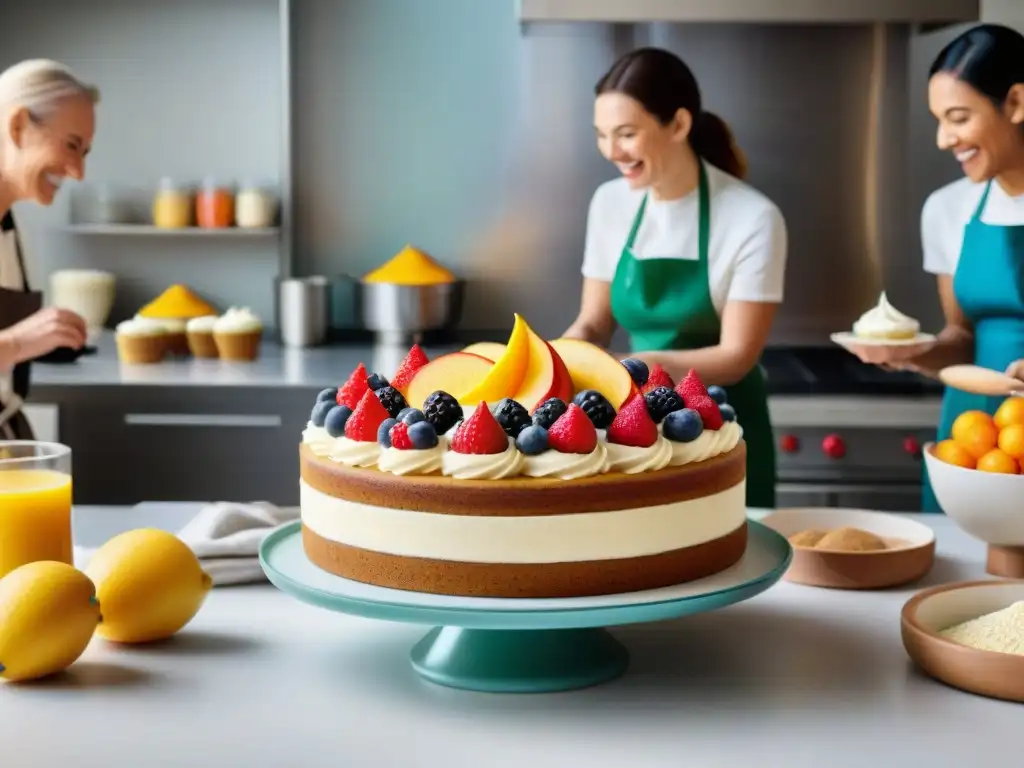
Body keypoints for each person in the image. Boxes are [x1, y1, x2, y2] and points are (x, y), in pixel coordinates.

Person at [562, 47, 788, 508]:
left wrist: (631, 365)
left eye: (626, 134)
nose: (611, 151)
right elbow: (594, 323)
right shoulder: (610, 203)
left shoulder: (752, 217)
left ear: (679, 125)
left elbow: (737, 355)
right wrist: (558, 362)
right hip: (639, 431)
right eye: (602, 135)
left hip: (724, 428)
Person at [850, 24, 1024, 512]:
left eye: (959, 118)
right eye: (938, 120)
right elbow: (961, 339)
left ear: (1015, 102)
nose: (945, 139)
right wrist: (912, 352)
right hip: (973, 437)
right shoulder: (948, 209)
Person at [0, 60, 96, 439]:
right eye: (72, 145)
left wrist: (44, 342)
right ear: (18, 125)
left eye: (84, 152)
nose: (77, 171)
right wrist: (20, 341)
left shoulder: (7, 225)